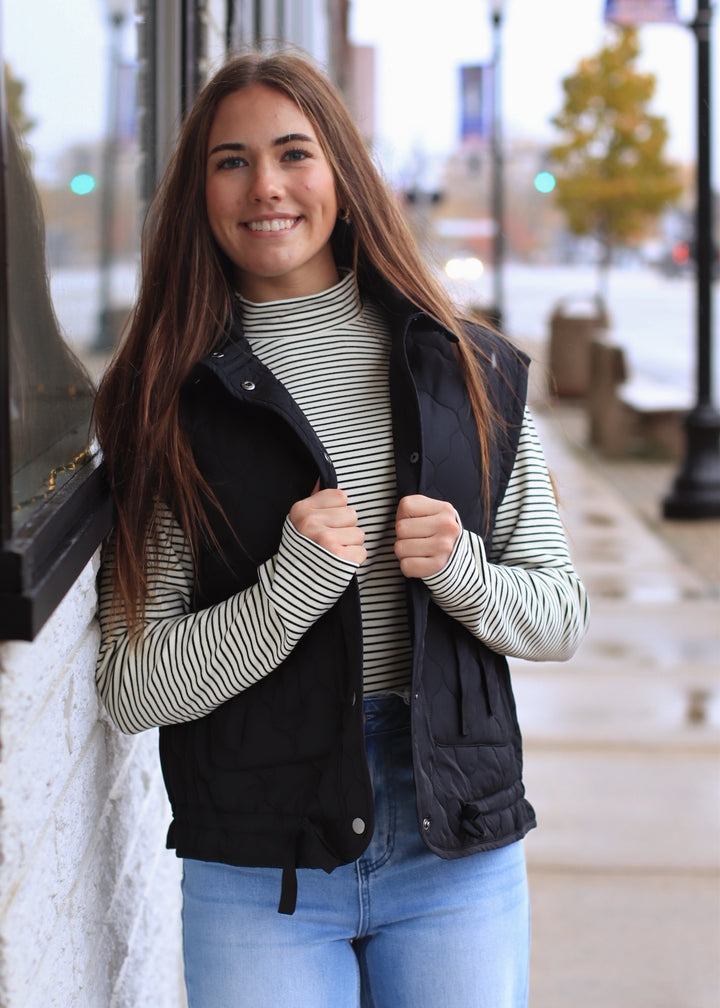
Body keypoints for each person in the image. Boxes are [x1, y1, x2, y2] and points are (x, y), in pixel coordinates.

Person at [94, 48, 589, 1008]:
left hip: (454, 841)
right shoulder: (163, 402)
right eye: (230, 161)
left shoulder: (467, 373)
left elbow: (561, 615)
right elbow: (132, 682)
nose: (266, 186)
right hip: (257, 862)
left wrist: (467, 576)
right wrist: (287, 595)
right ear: (200, 190)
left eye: (293, 153)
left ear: (343, 175)